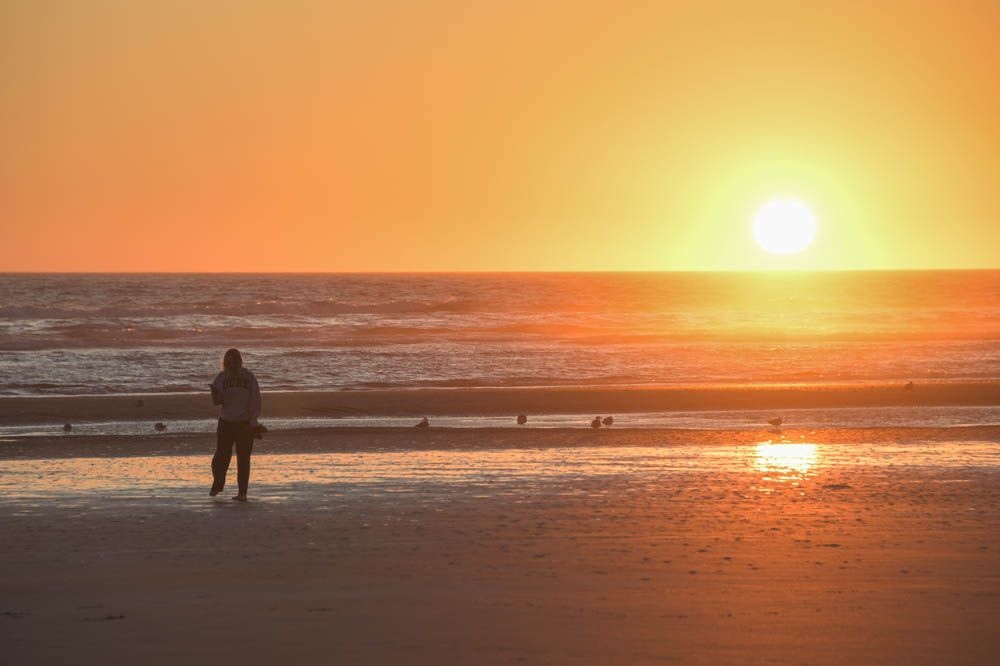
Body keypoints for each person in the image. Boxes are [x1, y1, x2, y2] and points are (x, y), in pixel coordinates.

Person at [209, 348, 262, 501]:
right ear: (225, 363)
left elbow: (256, 399)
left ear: (240, 362)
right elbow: (217, 402)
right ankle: (218, 484)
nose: (232, 366)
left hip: (245, 423)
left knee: (243, 459)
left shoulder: (249, 377)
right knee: (221, 457)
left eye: (235, 362)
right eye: (229, 363)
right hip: (226, 422)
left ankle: (242, 493)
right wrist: (214, 394)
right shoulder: (221, 378)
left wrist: (253, 420)